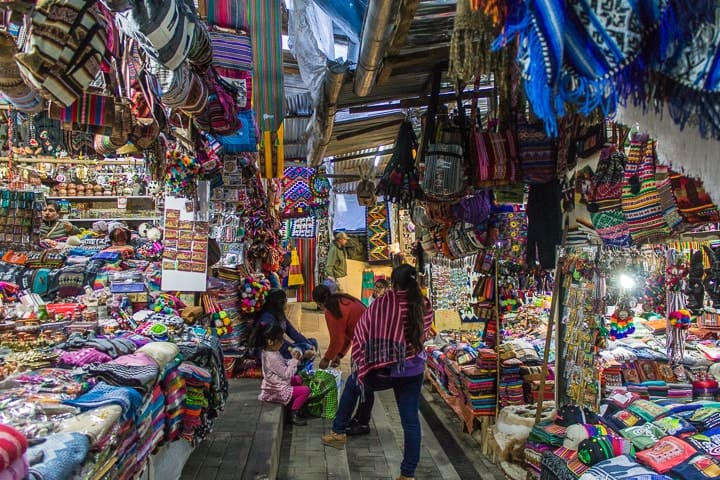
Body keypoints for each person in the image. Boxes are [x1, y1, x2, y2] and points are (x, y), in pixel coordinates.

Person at [321, 264, 433, 480]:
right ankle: (407, 474)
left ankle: (338, 432)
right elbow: (424, 333)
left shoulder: (384, 303)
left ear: (394, 283)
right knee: (410, 421)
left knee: (353, 384)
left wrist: (368, 357)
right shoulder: (424, 303)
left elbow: (365, 329)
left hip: (384, 368)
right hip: (413, 368)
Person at [312, 284, 372, 435]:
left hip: (367, 345)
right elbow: (346, 336)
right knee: (365, 385)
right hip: (368, 342)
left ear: (318, 303)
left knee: (356, 385)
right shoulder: (343, 300)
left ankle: (343, 426)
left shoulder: (332, 311)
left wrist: (326, 359)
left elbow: (337, 340)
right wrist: (339, 355)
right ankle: (361, 420)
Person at [258, 322, 311, 426]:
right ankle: (294, 413)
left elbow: (282, 364)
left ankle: (294, 402)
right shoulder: (272, 357)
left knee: (299, 379)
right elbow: (287, 374)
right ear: (270, 342)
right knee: (306, 390)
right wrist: (294, 361)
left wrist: (292, 360)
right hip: (278, 390)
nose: (282, 343)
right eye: (280, 340)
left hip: (275, 383)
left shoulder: (268, 352)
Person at [254, 289, 316, 363]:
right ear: (280, 303)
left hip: (281, 346)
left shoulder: (279, 314)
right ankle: (297, 370)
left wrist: (309, 345)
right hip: (272, 351)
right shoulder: (268, 319)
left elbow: (292, 331)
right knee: (306, 349)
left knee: (312, 343)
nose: (287, 303)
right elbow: (279, 344)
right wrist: (302, 350)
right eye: (286, 301)